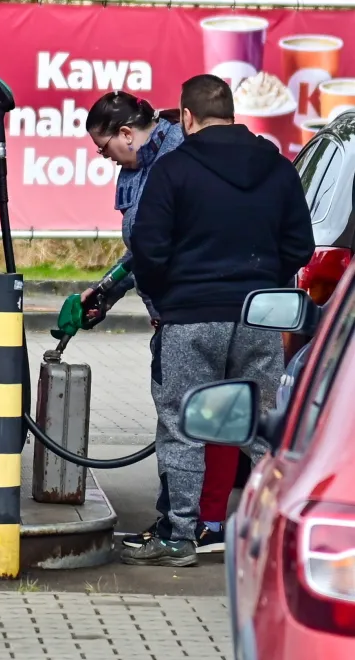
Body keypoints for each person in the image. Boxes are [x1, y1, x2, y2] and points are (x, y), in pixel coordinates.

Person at [122, 74, 314, 566]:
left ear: (186, 117)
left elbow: (147, 247)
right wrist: (264, 283)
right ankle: (276, 535)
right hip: (260, 318)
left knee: (183, 424)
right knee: (259, 426)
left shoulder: (173, 170)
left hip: (189, 318)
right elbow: (300, 246)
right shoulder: (278, 168)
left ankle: (179, 536)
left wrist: (170, 299)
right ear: (232, 113)